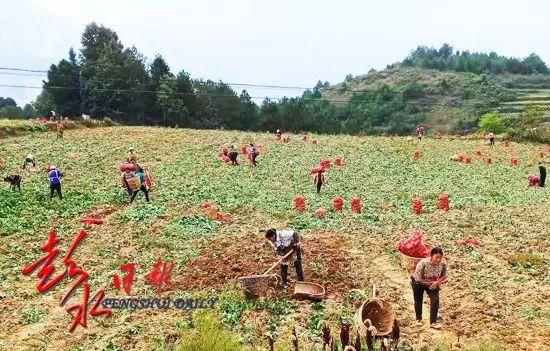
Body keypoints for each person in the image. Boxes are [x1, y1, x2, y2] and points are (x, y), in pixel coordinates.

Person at [411, 247, 447, 329]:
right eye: (436, 257)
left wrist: (437, 282)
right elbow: (418, 277)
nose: (438, 260)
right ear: (431, 256)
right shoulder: (423, 263)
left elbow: (444, 275)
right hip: (418, 282)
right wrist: (428, 283)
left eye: (440, 258)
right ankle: (418, 319)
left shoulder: (442, 264)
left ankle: (433, 322)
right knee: (418, 300)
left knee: (435, 300)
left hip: (433, 283)